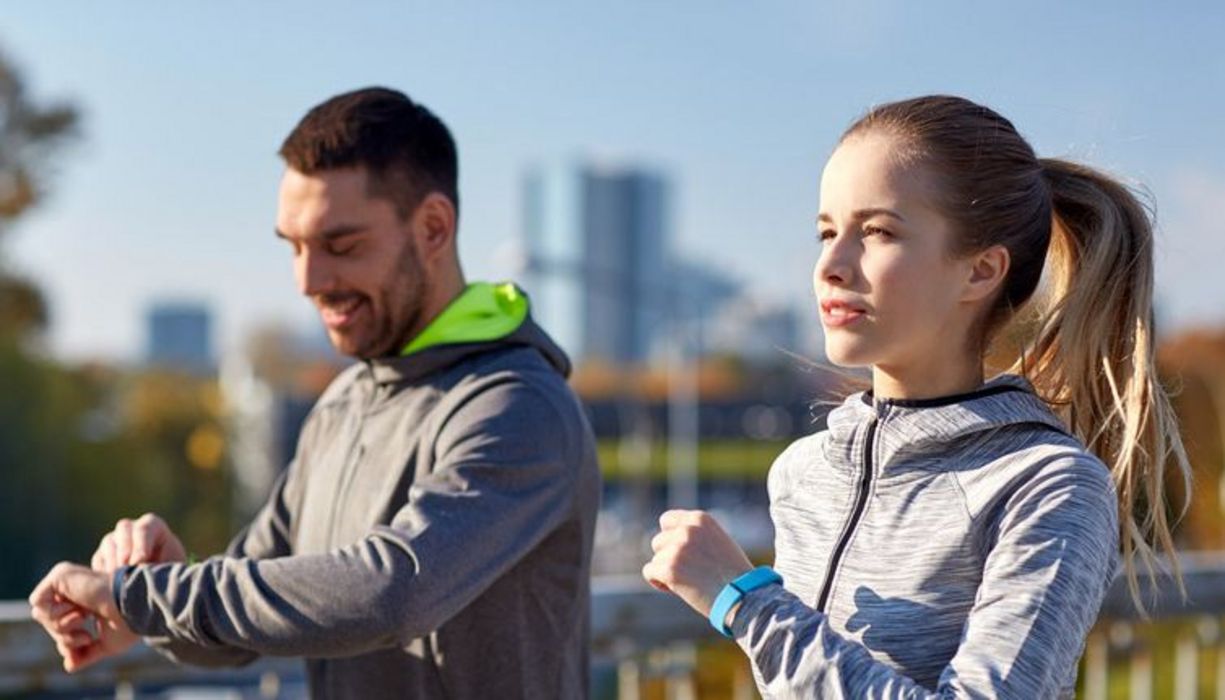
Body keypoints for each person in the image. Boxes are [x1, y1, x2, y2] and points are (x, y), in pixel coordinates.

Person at [28, 87, 602, 699]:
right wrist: (154, 589)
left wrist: (143, 599)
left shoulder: (518, 407)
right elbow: (248, 617)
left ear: (433, 228)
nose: (308, 280)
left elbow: (391, 593)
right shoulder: (341, 406)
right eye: (294, 245)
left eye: (341, 245)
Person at [642, 95, 1190, 698]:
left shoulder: (1048, 484)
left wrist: (744, 602)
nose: (831, 263)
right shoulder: (802, 474)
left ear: (980, 271)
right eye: (827, 231)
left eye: (877, 231)